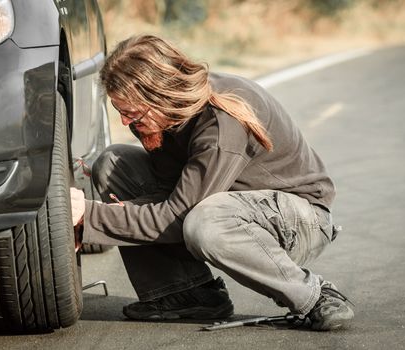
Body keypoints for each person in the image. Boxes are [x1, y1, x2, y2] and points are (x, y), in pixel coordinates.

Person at [70, 34, 354, 331]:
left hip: (299, 220)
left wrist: (89, 216)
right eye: (120, 113)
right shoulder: (167, 116)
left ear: (160, 93)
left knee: (203, 222)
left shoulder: (221, 122)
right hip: (231, 206)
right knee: (114, 163)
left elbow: (176, 216)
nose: (125, 123)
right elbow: (167, 197)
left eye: (131, 113)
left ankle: (314, 296)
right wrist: (93, 222)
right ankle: (186, 294)